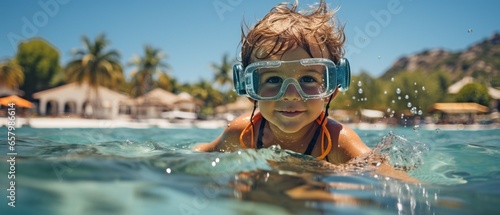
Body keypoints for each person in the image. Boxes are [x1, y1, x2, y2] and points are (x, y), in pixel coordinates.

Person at [194, 0, 417, 182]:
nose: (291, 93)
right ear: (248, 87)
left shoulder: (337, 142)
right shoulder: (242, 133)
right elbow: (196, 157)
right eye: (273, 79)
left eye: (308, 78)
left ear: (332, 90)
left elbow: (387, 175)